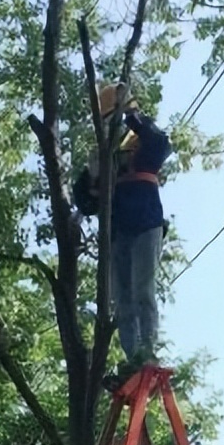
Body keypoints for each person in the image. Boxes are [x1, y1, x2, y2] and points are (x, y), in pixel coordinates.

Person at [73, 82, 172, 387]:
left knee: (142, 291)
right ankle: (133, 357)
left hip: (145, 224)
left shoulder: (144, 147)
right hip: (118, 232)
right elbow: (86, 201)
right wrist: (91, 177)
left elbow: (161, 143)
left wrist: (131, 116)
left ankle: (147, 352)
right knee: (123, 299)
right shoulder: (107, 159)